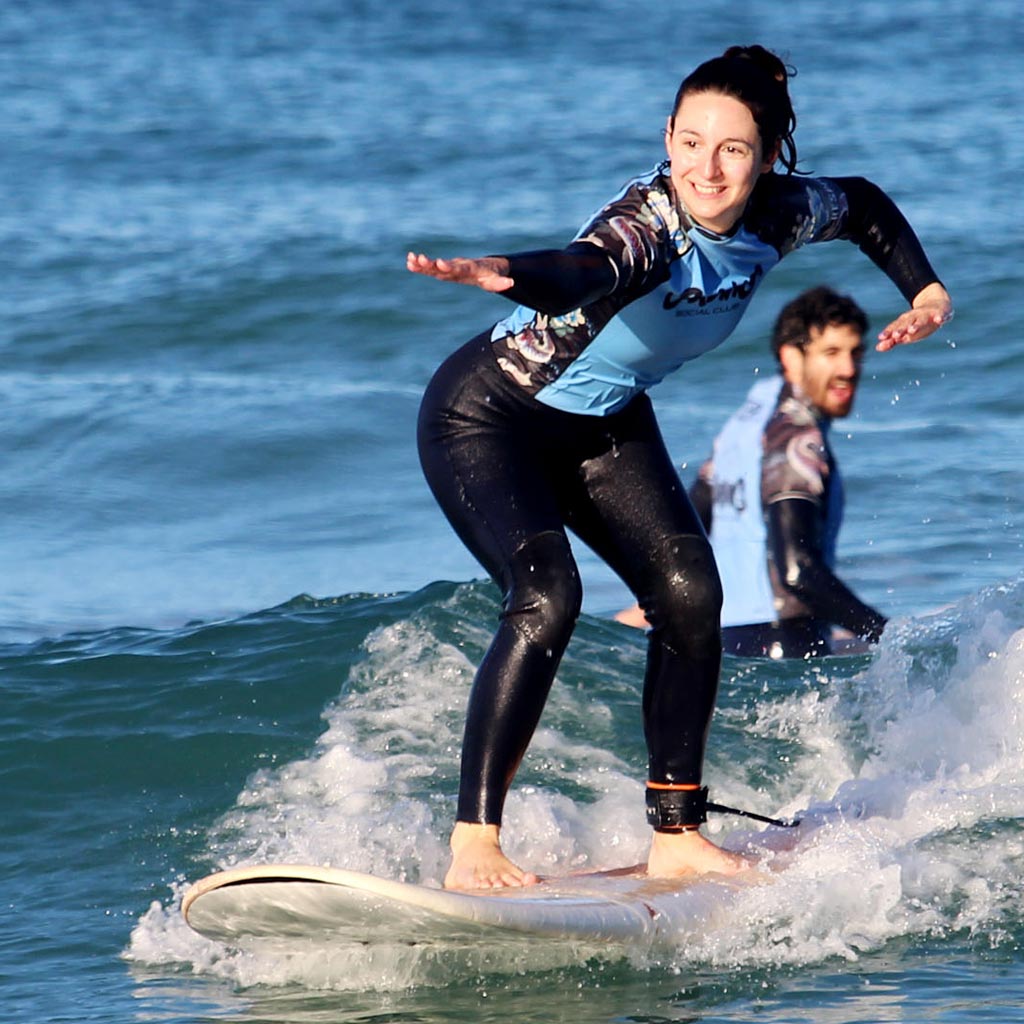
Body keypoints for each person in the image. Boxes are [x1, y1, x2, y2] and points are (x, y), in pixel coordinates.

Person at [407, 44, 952, 891]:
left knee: (692, 591)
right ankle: (474, 842)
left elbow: (867, 207)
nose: (706, 166)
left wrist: (924, 291)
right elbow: (584, 267)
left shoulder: (780, 214)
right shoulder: (649, 229)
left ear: (765, 157)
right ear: (667, 136)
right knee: (549, 594)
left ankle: (678, 832)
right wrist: (511, 273)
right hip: (489, 415)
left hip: (605, 418)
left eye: (732, 148)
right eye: (688, 142)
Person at [617, 286, 886, 658]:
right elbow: (798, 573)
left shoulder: (744, 424)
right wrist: (888, 636)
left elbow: (688, 531)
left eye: (856, 353)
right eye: (832, 353)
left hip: (726, 646)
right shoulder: (796, 433)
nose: (849, 370)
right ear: (791, 358)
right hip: (787, 647)